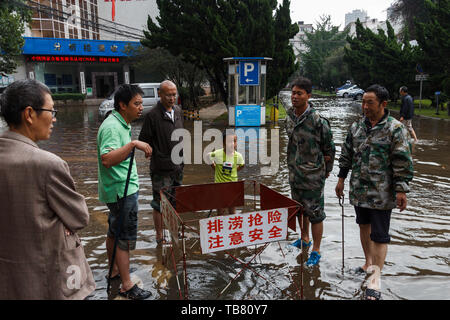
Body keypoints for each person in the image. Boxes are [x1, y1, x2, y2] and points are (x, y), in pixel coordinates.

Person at [0, 79, 95, 299]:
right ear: (29, 114)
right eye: (51, 111)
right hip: (44, 280)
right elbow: (79, 217)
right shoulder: (47, 164)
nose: (54, 118)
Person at [335, 84, 413, 300]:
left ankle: (375, 282)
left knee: (379, 235)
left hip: (382, 192)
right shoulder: (357, 127)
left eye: (370, 102)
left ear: (383, 104)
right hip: (359, 189)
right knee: (363, 226)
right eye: (363, 102)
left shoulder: (395, 129)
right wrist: (341, 179)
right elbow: (346, 154)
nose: (365, 106)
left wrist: (401, 190)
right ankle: (368, 263)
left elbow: (403, 162)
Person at [97, 84, 153, 300]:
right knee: (124, 237)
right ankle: (127, 285)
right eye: (136, 103)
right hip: (122, 190)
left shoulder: (120, 123)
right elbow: (107, 159)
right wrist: (132, 145)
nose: (141, 107)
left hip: (119, 189)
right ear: (122, 105)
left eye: (141, 103)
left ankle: (114, 271)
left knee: (114, 230)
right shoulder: (112, 127)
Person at [285, 77, 335, 266]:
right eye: (293, 93)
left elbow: (329, 149)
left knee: (315, 213)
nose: (294, 97)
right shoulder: (289, 118)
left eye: (299, 93)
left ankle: (316, 250)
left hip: (313, 176)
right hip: (294, 174)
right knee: (299, 209)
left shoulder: (318, 121)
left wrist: (325, 171)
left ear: (308, 95)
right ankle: (304, 238)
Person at [138, 80, 184, 245]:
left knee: (176, 201)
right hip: (161, 169)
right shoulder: (152, 115)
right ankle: (159, 236)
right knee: (158, 203)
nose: (172, 98)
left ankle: (174, 231)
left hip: (178, 166)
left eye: (174, 94)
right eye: (168, 95)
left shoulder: (178, 111)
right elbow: (144, 142)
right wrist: (155, 153)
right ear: (160, 94)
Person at [208, 129, 245, 215]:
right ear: (223, 143)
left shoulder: (238, 156)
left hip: (232, 187)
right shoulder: (217, 154)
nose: (232, 144)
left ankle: (232, 225)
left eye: (234, 141)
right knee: (220, 211)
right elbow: (208, 157)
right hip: (219, 187)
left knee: (232, 211)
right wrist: (214, 167)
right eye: (229, 142)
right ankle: (221, 225)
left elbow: (242, 165)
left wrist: (235, 170)